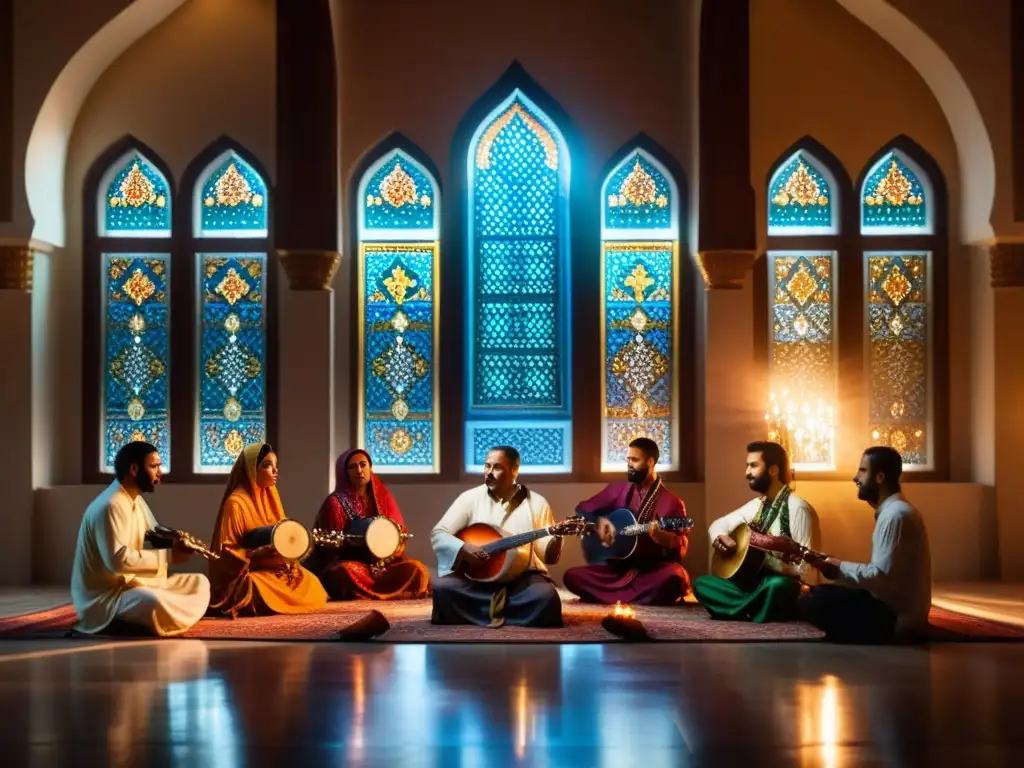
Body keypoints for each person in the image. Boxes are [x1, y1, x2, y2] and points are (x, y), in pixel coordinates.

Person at [71, 441, 210, 636]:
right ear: (135, 469)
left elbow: (153, 531)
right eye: (154, 466)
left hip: (129, 585)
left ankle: (144, 621)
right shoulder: (111, 505)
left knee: (199, 583)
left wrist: (178, 541)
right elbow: (117, 560)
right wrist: (169, 556)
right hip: (105, 598)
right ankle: (120, 621)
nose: (159, 472)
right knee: (153, 602)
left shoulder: (134, 499)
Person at [430, 446, 574, 628]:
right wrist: (463, 548)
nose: (489, 473)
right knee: (443, 590)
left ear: (514, 470)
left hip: (521, 579)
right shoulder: (469, 498)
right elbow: (439, 533)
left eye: (497, 467)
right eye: (486, 466)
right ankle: (513, 616)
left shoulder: (536, 503)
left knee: (546, 597)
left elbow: (545, 553)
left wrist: (556, 537)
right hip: (477, 578)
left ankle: (479, 615)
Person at [801, 446, 932, 643]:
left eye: (862, 471)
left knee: (815, 600)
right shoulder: (893, 512)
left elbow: (881, 577)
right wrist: (835, 568)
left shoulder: (896, 516)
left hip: (896, 619)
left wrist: (839, 567)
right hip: (889, 608)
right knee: (822, 592)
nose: (856, 478)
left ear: (879, 477)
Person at [692, 441, 819, 623]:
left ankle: (742, 610)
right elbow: (719, 524)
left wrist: (770, 563)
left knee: (778, 586)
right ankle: (755, 610)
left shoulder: (798, 508)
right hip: (755, 586)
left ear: (773, 470)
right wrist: (721, 537)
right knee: (702, 584)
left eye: (753, 466)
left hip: (781, 585)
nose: (747, 473)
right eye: (747, 466)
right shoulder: (757, 505)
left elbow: (808, 573)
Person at [562, 437, 691, 605]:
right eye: (628, 459)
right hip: (616, 570)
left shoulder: (672, 502)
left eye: (635, 460)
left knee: (675, 576)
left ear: (650, 462)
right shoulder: (618, 490)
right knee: (572, 576)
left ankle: (612, 598)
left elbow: (680, 549)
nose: (629, 464)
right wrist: (600, 521)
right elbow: (583, 508)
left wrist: (663, 538)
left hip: (649, 572)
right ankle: (641, 599)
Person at [208, 443, 328, 617]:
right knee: (253, 586)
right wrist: (255, 554)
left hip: (274, 569)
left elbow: (284, 534)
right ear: (251, 469)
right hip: (251, 572)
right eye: (267, 466)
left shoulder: (272, 496)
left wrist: (290, 560)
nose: (274, 471)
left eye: (275, 466)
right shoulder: (235, 503)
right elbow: (227, 551)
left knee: (311, 581)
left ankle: (282, 600)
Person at [308, 448, 430, 601]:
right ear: (344, 472)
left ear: (370, 468)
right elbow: (328, 549)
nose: (359, 470)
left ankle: (380, 591)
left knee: (417, 569)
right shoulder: (335, 502)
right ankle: (383, 592)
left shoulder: (382, 497)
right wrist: (352, 543)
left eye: (363, 464)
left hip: (383, 564)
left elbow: (399, 534)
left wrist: (391, 551)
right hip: (353, 564)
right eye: (352, 467)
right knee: (343, 572)